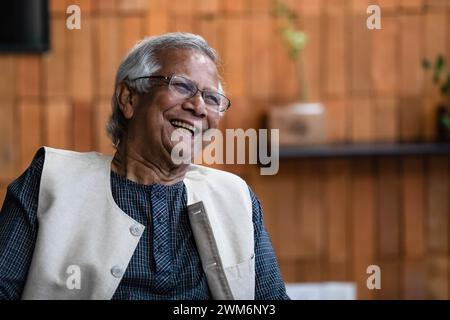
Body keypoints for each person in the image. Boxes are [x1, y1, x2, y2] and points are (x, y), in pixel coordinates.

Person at [0, 33, 289, 300]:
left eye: (212, 98)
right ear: (129, 99)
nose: (199, 107)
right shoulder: (51, 181)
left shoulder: (234, 196)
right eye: (182, 86)